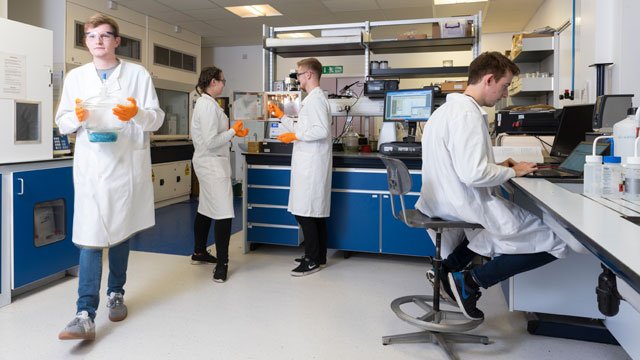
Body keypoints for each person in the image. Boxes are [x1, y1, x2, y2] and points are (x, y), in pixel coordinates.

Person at [415, 51, 568, 320]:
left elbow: (458, 158)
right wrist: (512, 172)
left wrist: (501, 166)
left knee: (488, 231)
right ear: (488, 79)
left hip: (440, 200)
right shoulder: (467, 115)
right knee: (557, 240)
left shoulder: (445, 111)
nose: (505, 94)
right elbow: (473, 174)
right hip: (460, 203)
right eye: (505, 85)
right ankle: (471, 282)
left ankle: (447, 269)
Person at [55, 14, 165, 340]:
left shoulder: (137, 74)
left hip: (123, 167)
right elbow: (61, 122)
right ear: (86, 41)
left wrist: (137, 114)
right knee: (90, 237)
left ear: (117, 40)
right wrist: (73, 117)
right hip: (91, 168)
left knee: (119, 233)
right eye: (91, 36)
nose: (98, 41)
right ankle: (84, 314)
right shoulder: (76, 78)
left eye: (105, 35)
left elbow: (156, 118)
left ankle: (116, 292)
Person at [267, 58, 332, 276]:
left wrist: (296, 135)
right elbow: (304, 127)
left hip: (312, 165)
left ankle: (312, 259)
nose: (298, 78)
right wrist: (281, 116)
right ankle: (319, 256)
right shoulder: (311, 100)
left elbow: (321, 130)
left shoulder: (316, 100)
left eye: (299, 74)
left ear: (310, 75)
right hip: (308, 163)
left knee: (305, 213)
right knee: (313, 213)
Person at [191, 66, 248, 282]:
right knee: (224, 212)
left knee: (206, 208)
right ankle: (222, 266)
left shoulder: (209, 104)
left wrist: (231, 133)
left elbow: (213, 137)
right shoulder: (206, 106)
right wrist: (233, 131)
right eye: (223, 80)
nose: (224, 84)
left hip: (210, 163)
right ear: (213, 81)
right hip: (212, 164)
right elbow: (210, 142)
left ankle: (199, 251)